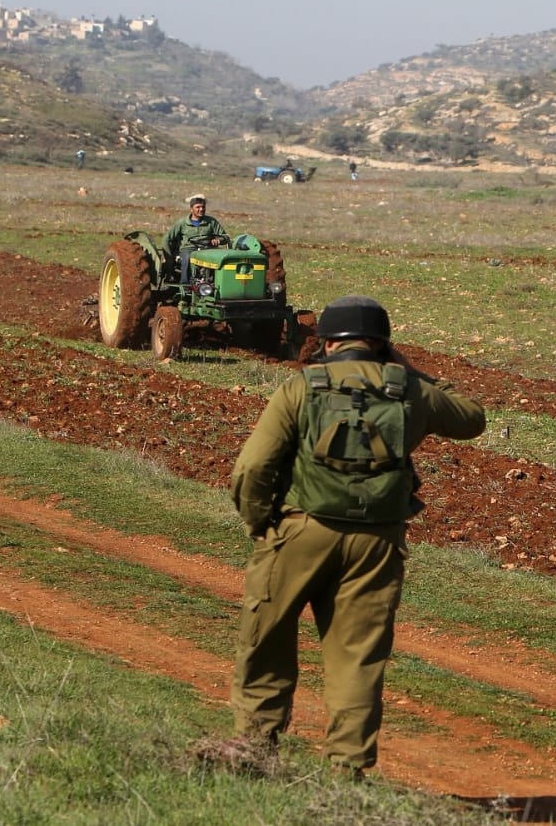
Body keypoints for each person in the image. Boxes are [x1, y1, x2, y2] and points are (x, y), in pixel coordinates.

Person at [199, 295, 486, 779]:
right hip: (377, 544)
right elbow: (472, 418)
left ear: (328, 342)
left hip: (299, 531)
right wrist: (410, 370)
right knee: (357, 657)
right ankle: (346, 774)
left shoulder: (301, 387)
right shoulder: (411, 390)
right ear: (382, 343)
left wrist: (261, 524)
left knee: (267, 637)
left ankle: (254, 749)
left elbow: (252, 467)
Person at [164, 194, 229, 281]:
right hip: (188, 249)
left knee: (221, 259)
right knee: (187, 259)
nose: (201, 209)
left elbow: (225, 236)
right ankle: (185, 285)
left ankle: (217, 283)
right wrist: (169, 257)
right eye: (198, 207)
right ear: (191, 209)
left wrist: (219, 240)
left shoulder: (211, 222)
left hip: (207, 248)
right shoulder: (182, 223)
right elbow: (167, 239)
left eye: (203, 207)